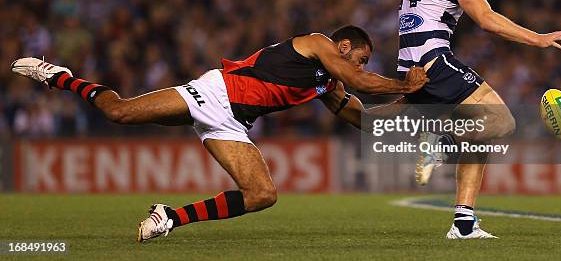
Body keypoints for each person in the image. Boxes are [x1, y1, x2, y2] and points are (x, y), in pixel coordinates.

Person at [11, 25, 428, 243]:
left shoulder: (326, 84)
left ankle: (169, 217)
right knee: (119, 111)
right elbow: (362, 82)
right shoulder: (317, 43)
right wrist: (403, 84)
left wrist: (410, 106)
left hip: (233, 124)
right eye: (363, 57)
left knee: (263, 194)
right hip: (215, 92)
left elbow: (362, 118)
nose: (364, 64)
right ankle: (60, 77)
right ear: (344, 47)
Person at [369, 0, 561, 239]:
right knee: (500, 122)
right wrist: (538, 38)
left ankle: (463, 222)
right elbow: (487, 19)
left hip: (409, 67)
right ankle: (440, 139)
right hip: (434, 62)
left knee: (477, 133)